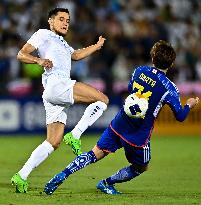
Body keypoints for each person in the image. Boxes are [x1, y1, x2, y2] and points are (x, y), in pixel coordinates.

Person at [43, 40, 199, 195]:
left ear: (152, 58)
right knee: (141, 167)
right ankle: (106, 183)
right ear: (171, 64)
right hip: (138, 136)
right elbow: (180, 116)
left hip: (119, 123)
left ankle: (63, 174)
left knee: (94, 153)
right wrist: (189, 105)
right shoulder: (170, 88)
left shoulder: (140, 71)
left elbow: (131, 89)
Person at [11, 7, 109, 193]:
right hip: (57, 84)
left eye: (68, 20)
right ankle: (76, 135)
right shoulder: (43, 34)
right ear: (51, 21)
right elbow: (21, 54)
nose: (65, 23)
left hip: (53, 92)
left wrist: (96, 46)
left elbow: (76, 55)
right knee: (102, 100)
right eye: (62, 19)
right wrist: (38, 61)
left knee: (53, 142)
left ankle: (21, 176)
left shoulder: (62, 43)